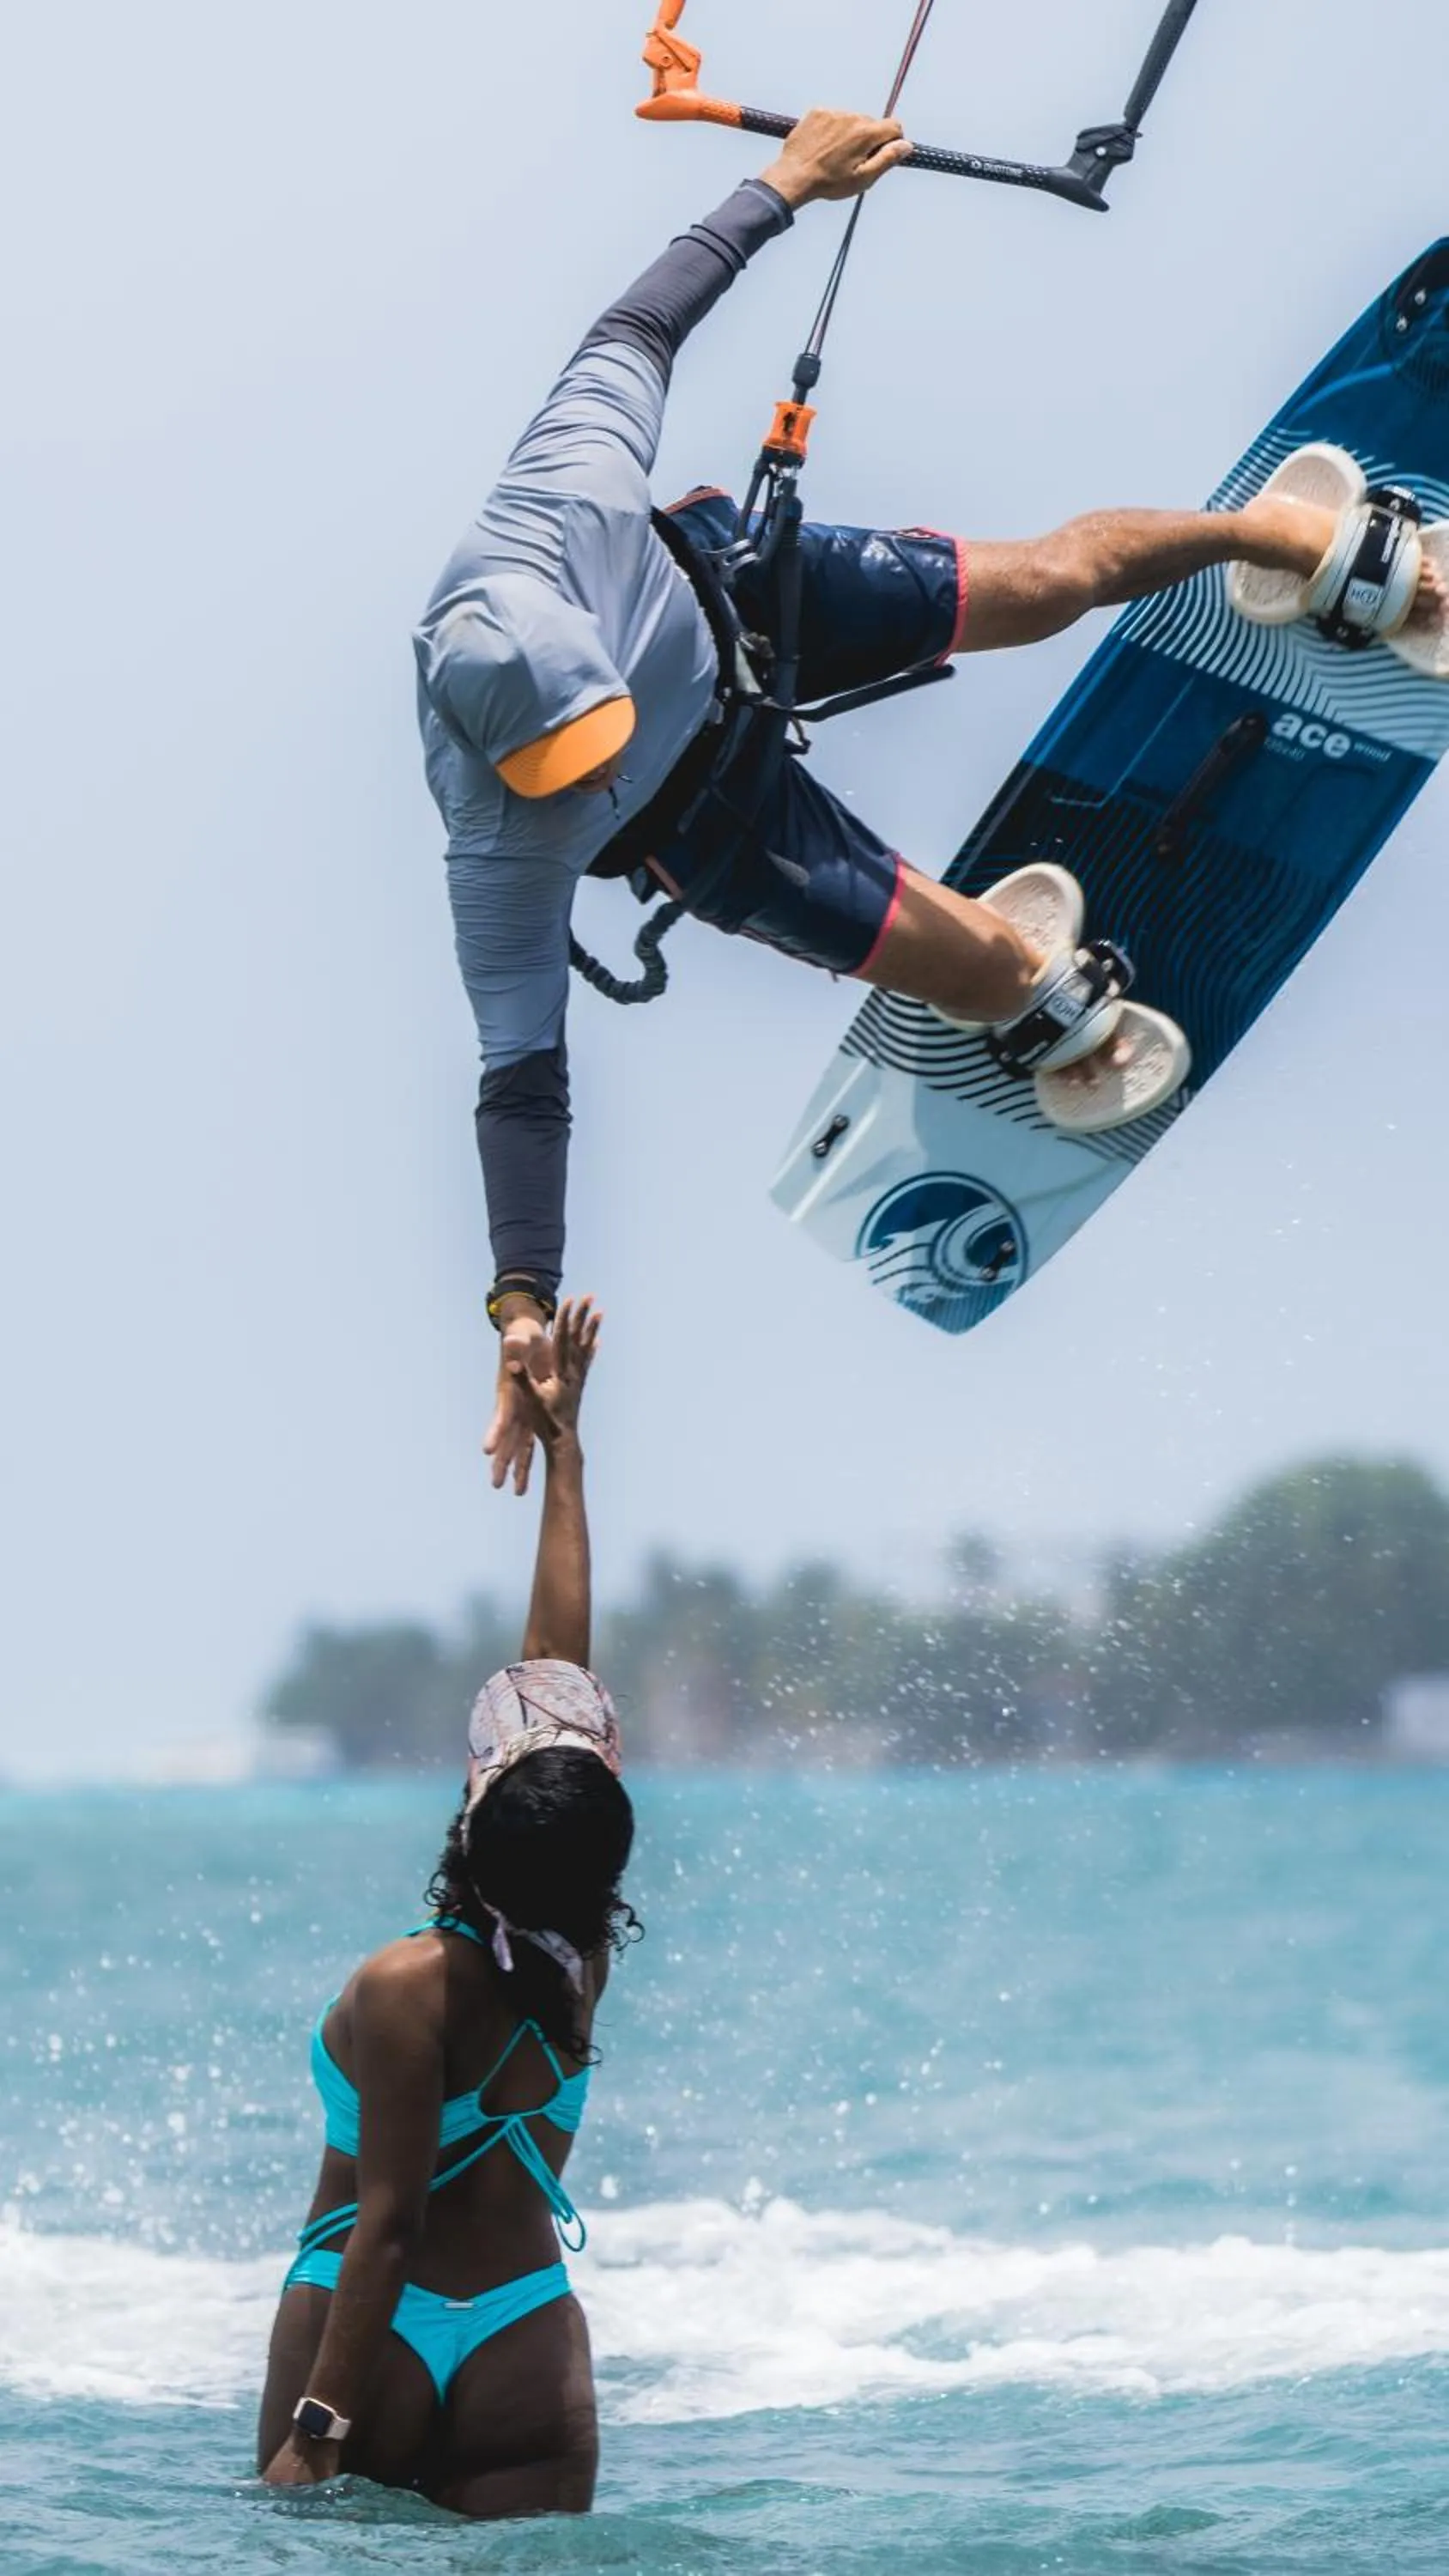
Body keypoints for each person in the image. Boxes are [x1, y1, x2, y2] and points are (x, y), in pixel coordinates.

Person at [414, 110, 1446, 1499]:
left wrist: (785, 180)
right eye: (562, 775)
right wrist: (520, 1302)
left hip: (742, 608)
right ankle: (1028, 982)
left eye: (586, 733)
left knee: (1053, 581)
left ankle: (1282, 536)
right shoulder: (497, 854)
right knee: (991, 973)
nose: (581, 770)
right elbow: (520, 1084)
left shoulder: (565, 498)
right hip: (705, 830)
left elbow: (645, 320)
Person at [258, 1299, 636, 2520]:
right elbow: (560, 1666)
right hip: (531, 2345)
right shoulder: (580, 1947)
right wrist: (566, 1455)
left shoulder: (403, 1988)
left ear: (475, 1830)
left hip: (370, 2352)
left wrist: (321, 2428)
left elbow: (392, 2226)